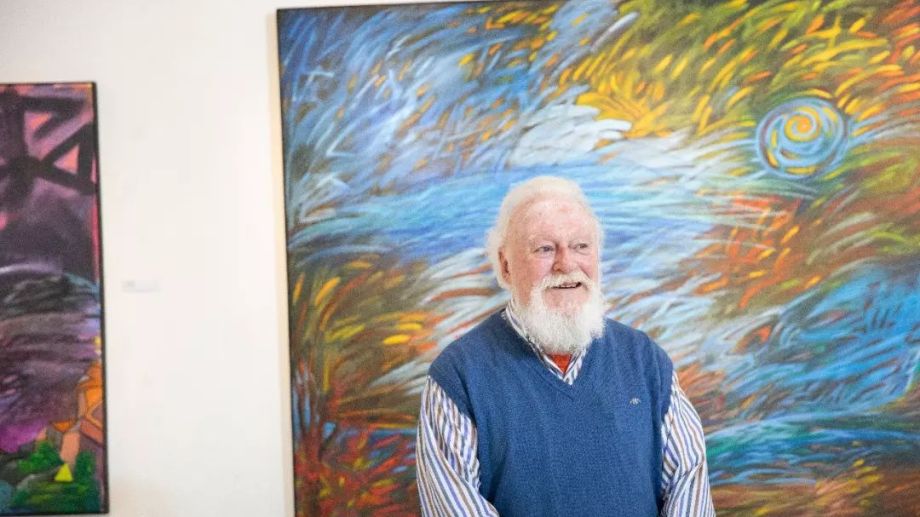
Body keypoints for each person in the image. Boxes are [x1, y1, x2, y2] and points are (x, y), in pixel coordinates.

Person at [416, 176, 715, 516]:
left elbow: (689, 487)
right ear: (506, 265)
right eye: (544, 249)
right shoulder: (457, 377)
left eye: (581, 246)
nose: (566, 264)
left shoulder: (646, 361)